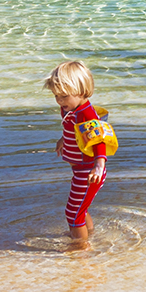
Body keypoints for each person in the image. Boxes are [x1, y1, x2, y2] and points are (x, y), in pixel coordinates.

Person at [44, 60, 113, 251]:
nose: (59, 101)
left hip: (90, 172)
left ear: (81, 92)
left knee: (73, 213)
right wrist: (63, 140)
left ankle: (81, 250)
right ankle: (88, 236)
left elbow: (98, 141)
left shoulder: (87, 115)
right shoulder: (70, 109)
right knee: (80, 210)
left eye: (64, 96)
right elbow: (72, 130)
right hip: (80, 171)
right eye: (56, 95)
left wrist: (99, 165)